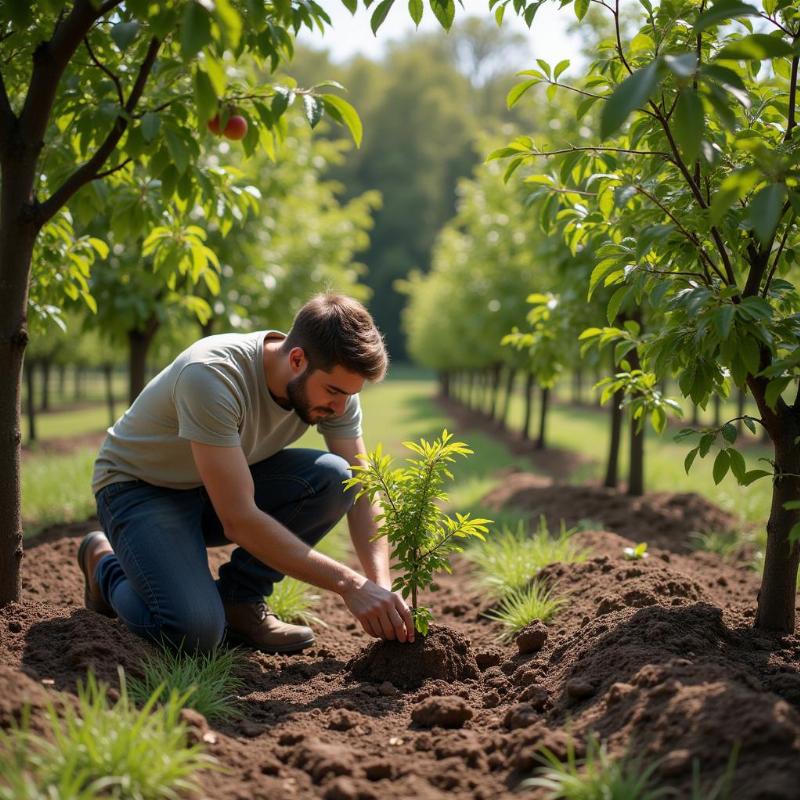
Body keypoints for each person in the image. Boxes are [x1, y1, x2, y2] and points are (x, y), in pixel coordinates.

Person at [76, 293, 414, 654]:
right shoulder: (211, 375)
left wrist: (381, 586)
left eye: (350, 394)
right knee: (193, 633)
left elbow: (363, 486)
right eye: (334, 392)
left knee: (338, 477)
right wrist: (350, 584)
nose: (341, 406)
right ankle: (103, 566)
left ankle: (240, 601)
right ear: (297, 359)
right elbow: (238, 519)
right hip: (139, 488)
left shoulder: (336, 386)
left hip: (217, 484)